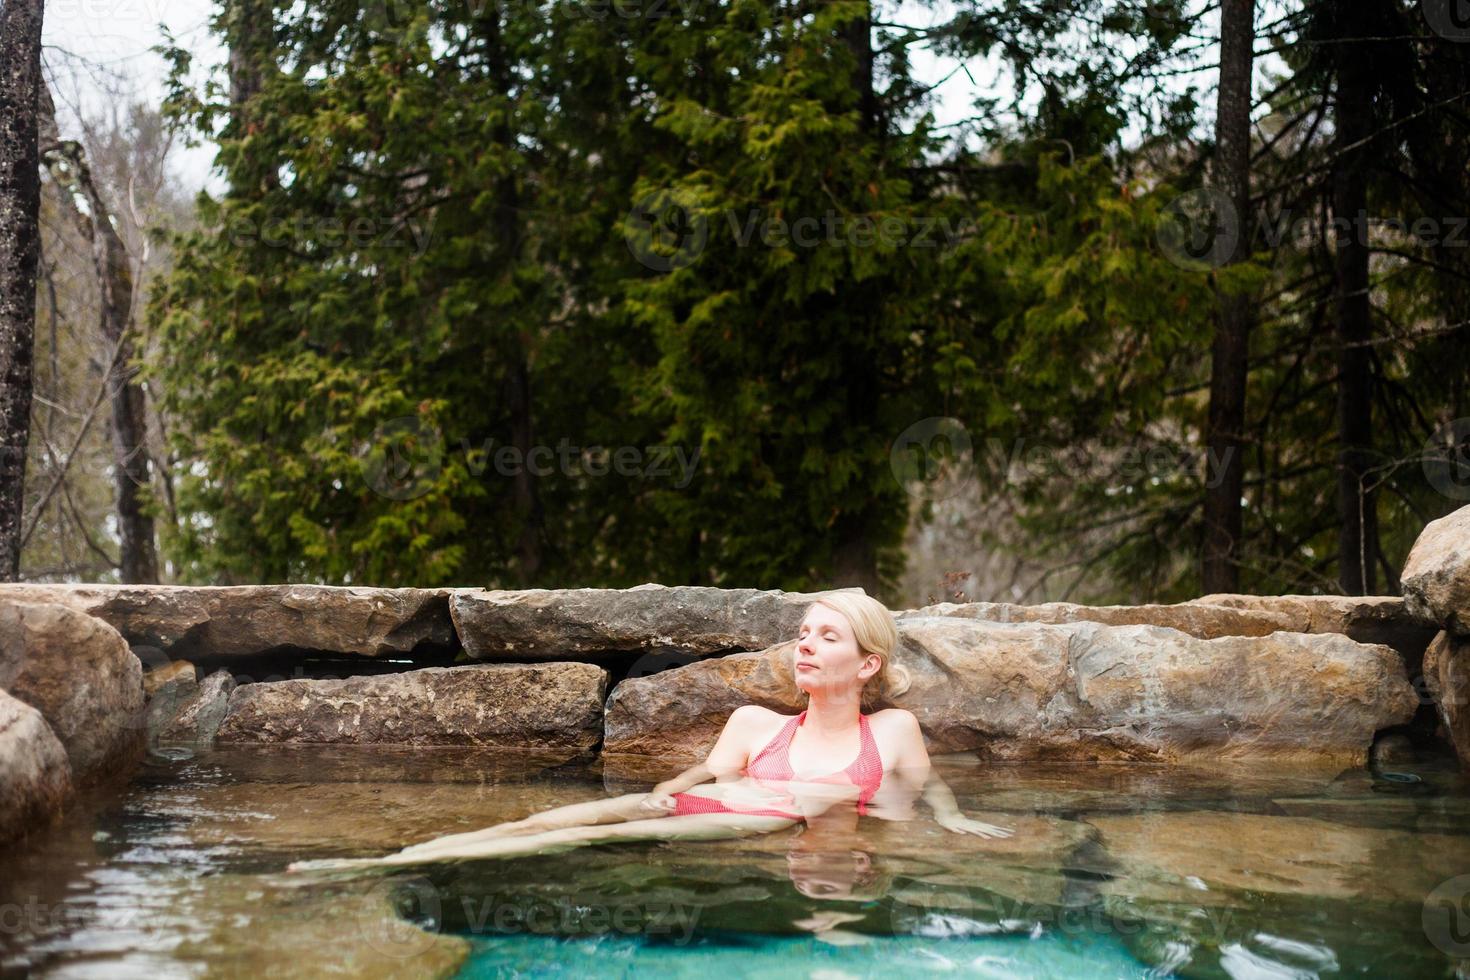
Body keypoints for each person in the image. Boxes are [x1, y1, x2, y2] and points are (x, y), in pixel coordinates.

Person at [288, 593, 1010, 872]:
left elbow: (925, 792)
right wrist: (672, 785)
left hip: (758, 820)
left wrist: (956, 820)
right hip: (705, 808)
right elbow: (702, 776)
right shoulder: (754, 721)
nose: (805, 646)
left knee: (573, 836)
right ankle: (410, 853)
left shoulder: (895, 731)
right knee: (544, 818)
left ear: (869, 662)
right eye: (802, 633)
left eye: (828, 636)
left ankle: (370, 869)